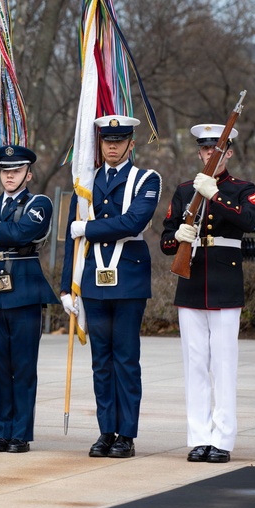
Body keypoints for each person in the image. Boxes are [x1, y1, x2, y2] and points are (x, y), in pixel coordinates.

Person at [59, 115, 161, 459]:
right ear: (99, 144)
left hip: (128, 281)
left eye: (119, 140)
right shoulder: (85, 183)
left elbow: (134, 221)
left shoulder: (147, 179)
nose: (112, 146)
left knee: (126, 360)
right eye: (107, 140)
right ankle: (107, 430)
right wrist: (64, 287)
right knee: (101, 362)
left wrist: (88, 230)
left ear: (131, 143)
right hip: (93, 283)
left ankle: (126, 434)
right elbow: (69, 240)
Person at [160, 124, 255, 463]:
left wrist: (215, 194)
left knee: (224, 364)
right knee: (196, 365)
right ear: (199, 152)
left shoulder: (243, 188)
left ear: (228, 152)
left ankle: (223, 439)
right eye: (205, 150)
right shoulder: (185, 190)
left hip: (225, 286)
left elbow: (249, 220)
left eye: (216, 149)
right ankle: (199, 437)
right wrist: (181, 236)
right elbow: (166, 241)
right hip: (190, 285)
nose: (210, 155)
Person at [0, 145, 58, 453]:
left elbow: (23, 232)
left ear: (28, 174)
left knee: (23, 367)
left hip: (24, 290)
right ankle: (0, 431)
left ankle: (20, 433)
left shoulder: (37, 202)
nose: (10, 175)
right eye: (5, 170)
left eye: (16, 170)